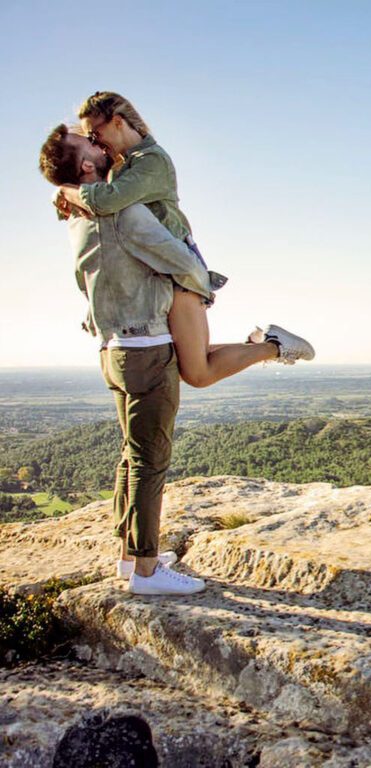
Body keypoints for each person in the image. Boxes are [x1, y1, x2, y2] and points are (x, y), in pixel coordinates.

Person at [38, 126, 312, 594]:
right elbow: (177, 260)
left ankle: (129, 556)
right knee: (150, 461)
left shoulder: (76, 220)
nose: (102, 147)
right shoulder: (121, 211)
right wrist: (201, 288)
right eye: (92, 146)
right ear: (86, 167)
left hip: (112, 350)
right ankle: (146, 571)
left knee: (131, 456)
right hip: (146, 349)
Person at [54, 91, 315, 384]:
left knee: (197, 373)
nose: (94, 142)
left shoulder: (152, 160)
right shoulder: (126, 165)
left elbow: (107, 201)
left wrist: (65, 190)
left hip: (178, 273)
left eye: (94, 133)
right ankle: (266, 343)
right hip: (164, 276)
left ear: (116, 122)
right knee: (185, 361)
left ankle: (273, 346)